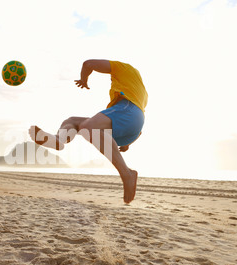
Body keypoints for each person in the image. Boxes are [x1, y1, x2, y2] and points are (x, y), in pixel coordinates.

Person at [29, 59, 148, 204]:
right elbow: (137, 127)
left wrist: (83, 80)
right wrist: (127, 143)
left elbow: (88, 64)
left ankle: (127, 173)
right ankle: (58, 140)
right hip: (131, 128)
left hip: (128, 111)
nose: (112, 79)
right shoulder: (140, 93)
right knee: (73, 121)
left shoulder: (124, 68)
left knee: (88, 127)